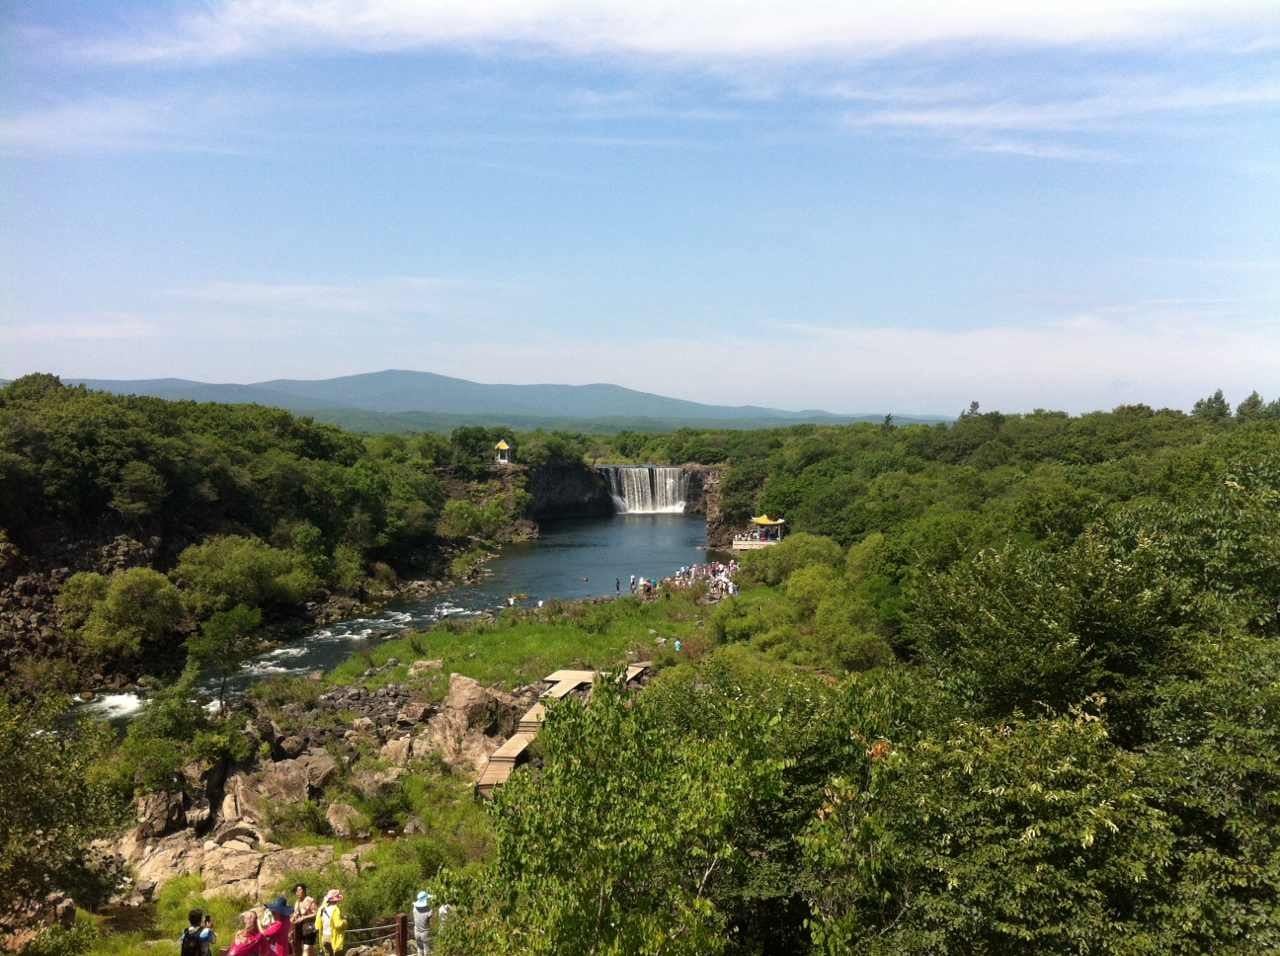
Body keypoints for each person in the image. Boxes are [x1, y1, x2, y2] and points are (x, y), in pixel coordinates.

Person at [318, 889, 346, 956]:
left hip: (324, 937)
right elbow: (337, 924)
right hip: (333, 937)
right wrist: (344, 921)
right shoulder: (335, 909)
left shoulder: (323, 909)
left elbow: (319, 923)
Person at [412, 890, 434, 954]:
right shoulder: (428, 910)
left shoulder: (414, 908)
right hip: (425, 932)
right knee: (426, 950)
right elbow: (431, 918)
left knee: (419, 949)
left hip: (416, 931)